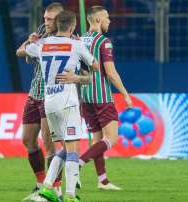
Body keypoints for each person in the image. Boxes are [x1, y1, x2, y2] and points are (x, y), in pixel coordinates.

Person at [56, 6, 132, 190]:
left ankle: (103, 180)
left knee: (98, 141)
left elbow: (77, 69)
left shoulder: (79, 40)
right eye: (106, 18)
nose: (109, 21)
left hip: (85, 98)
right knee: (111, 139)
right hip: (102, 97)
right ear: (97, 20)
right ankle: (78, 163)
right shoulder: (103, 42)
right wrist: (125, 95)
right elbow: (111, 73)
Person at [25, 10, 98, 202]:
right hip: (67, 101)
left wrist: (31, 39)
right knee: (74, 148)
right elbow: (95, 67)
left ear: (57, 25)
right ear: (73, 26)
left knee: (64, 149)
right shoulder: (76, 44)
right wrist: (77, 77)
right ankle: (70, 195)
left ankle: (48, 187)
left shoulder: (42, 44)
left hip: (49, 102)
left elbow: (26, 50)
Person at [16, 2, 64, 201]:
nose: (46, 22)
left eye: (50, 19)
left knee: (50, 145)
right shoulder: (42, 32)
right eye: (45, 18)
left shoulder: (65, 39)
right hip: (34, 94)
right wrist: (30, 41)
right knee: (27, 140)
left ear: (60, 20)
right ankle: (40, 184)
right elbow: (19, 52)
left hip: (51, 95)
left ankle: (57, 190)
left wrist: (36, 46)